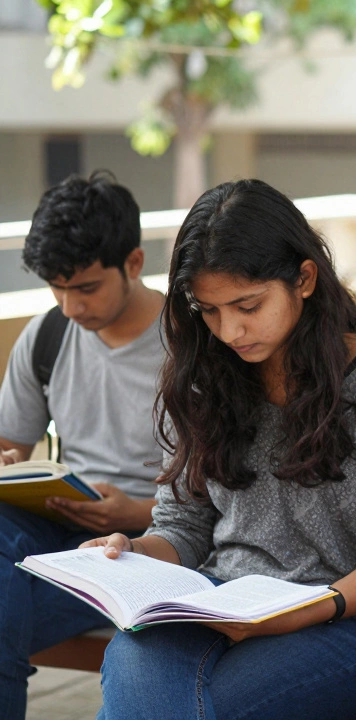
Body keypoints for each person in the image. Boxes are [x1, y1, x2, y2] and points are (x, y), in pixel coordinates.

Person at [83, 179, 356, 720]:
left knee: (214, 709)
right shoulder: (205, 371)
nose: (230, 330)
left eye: (248, 305)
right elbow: (184, 526)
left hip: (347, 620)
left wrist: (297, 613)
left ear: (305, 278)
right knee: (136, 679)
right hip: (217, 601)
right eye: (210, 310)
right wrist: (133, 554)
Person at [0, 171, 166, 717]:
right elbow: (10, 444)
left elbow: (226, 497)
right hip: (57, 526)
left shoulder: (194, 346)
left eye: (86, 288)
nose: (70, 307)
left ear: (134, 264)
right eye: (57, 287)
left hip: (152, 544)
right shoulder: (47, 336)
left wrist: (137, 511)